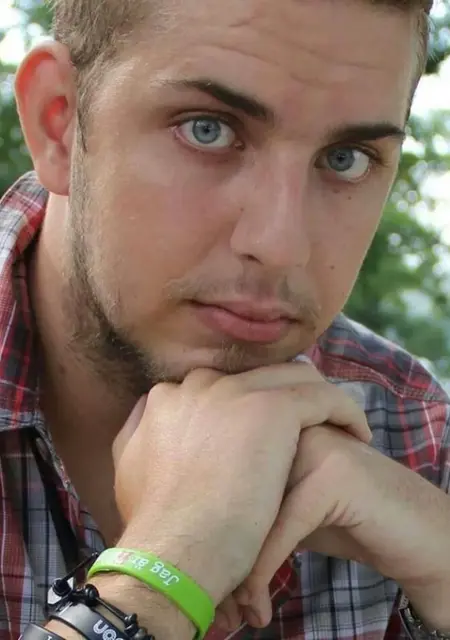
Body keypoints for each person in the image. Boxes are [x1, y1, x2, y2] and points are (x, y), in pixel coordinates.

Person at [1, 0, 449, 637]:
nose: (280, 244)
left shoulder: (418, 446)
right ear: (60, 121)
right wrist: (159, 577)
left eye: (345, 158)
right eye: (207, 130)